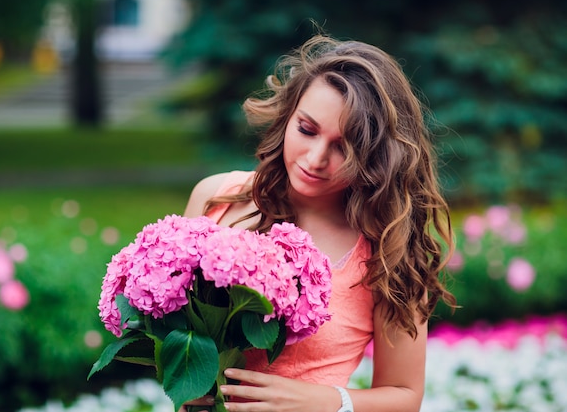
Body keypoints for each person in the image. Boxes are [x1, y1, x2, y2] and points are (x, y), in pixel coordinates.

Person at [181, 33, 457, 412]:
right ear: (288, 116)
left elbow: (405, 395)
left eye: (345, 147)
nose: (315, 159)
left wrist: (325, 401)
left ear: (376, 156)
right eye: (307, 130)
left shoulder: (388, 251)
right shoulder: (214, 198)